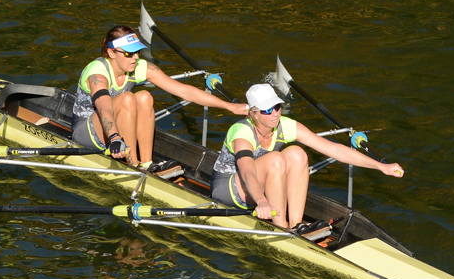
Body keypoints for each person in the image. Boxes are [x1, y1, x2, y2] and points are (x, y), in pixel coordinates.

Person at [211, 83, 405, 230]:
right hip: (229, 189)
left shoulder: (285, 125)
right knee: (276, 160)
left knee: (297, 154)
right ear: (253, 114)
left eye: (277, 107)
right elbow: (247, 172)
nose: (275, 114)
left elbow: (334, 150)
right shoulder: (241, 132)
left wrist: (381, 166)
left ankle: (296, 225)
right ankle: (281, 226)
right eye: (268, 110)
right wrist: (261, 200)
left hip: (260, 186)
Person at [72, 25, 247, 168]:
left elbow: (185, 91)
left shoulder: (139, 66)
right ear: (111, 53)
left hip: (114, 126)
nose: (135, 57)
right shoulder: (97, 73)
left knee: (144, 97)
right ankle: (131, 164)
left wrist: (229, 106)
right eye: (128, 53)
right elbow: (104, 108)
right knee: (127, 98)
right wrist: (115, 138)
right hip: (87, 131)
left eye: (137, 52)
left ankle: (146, 164)